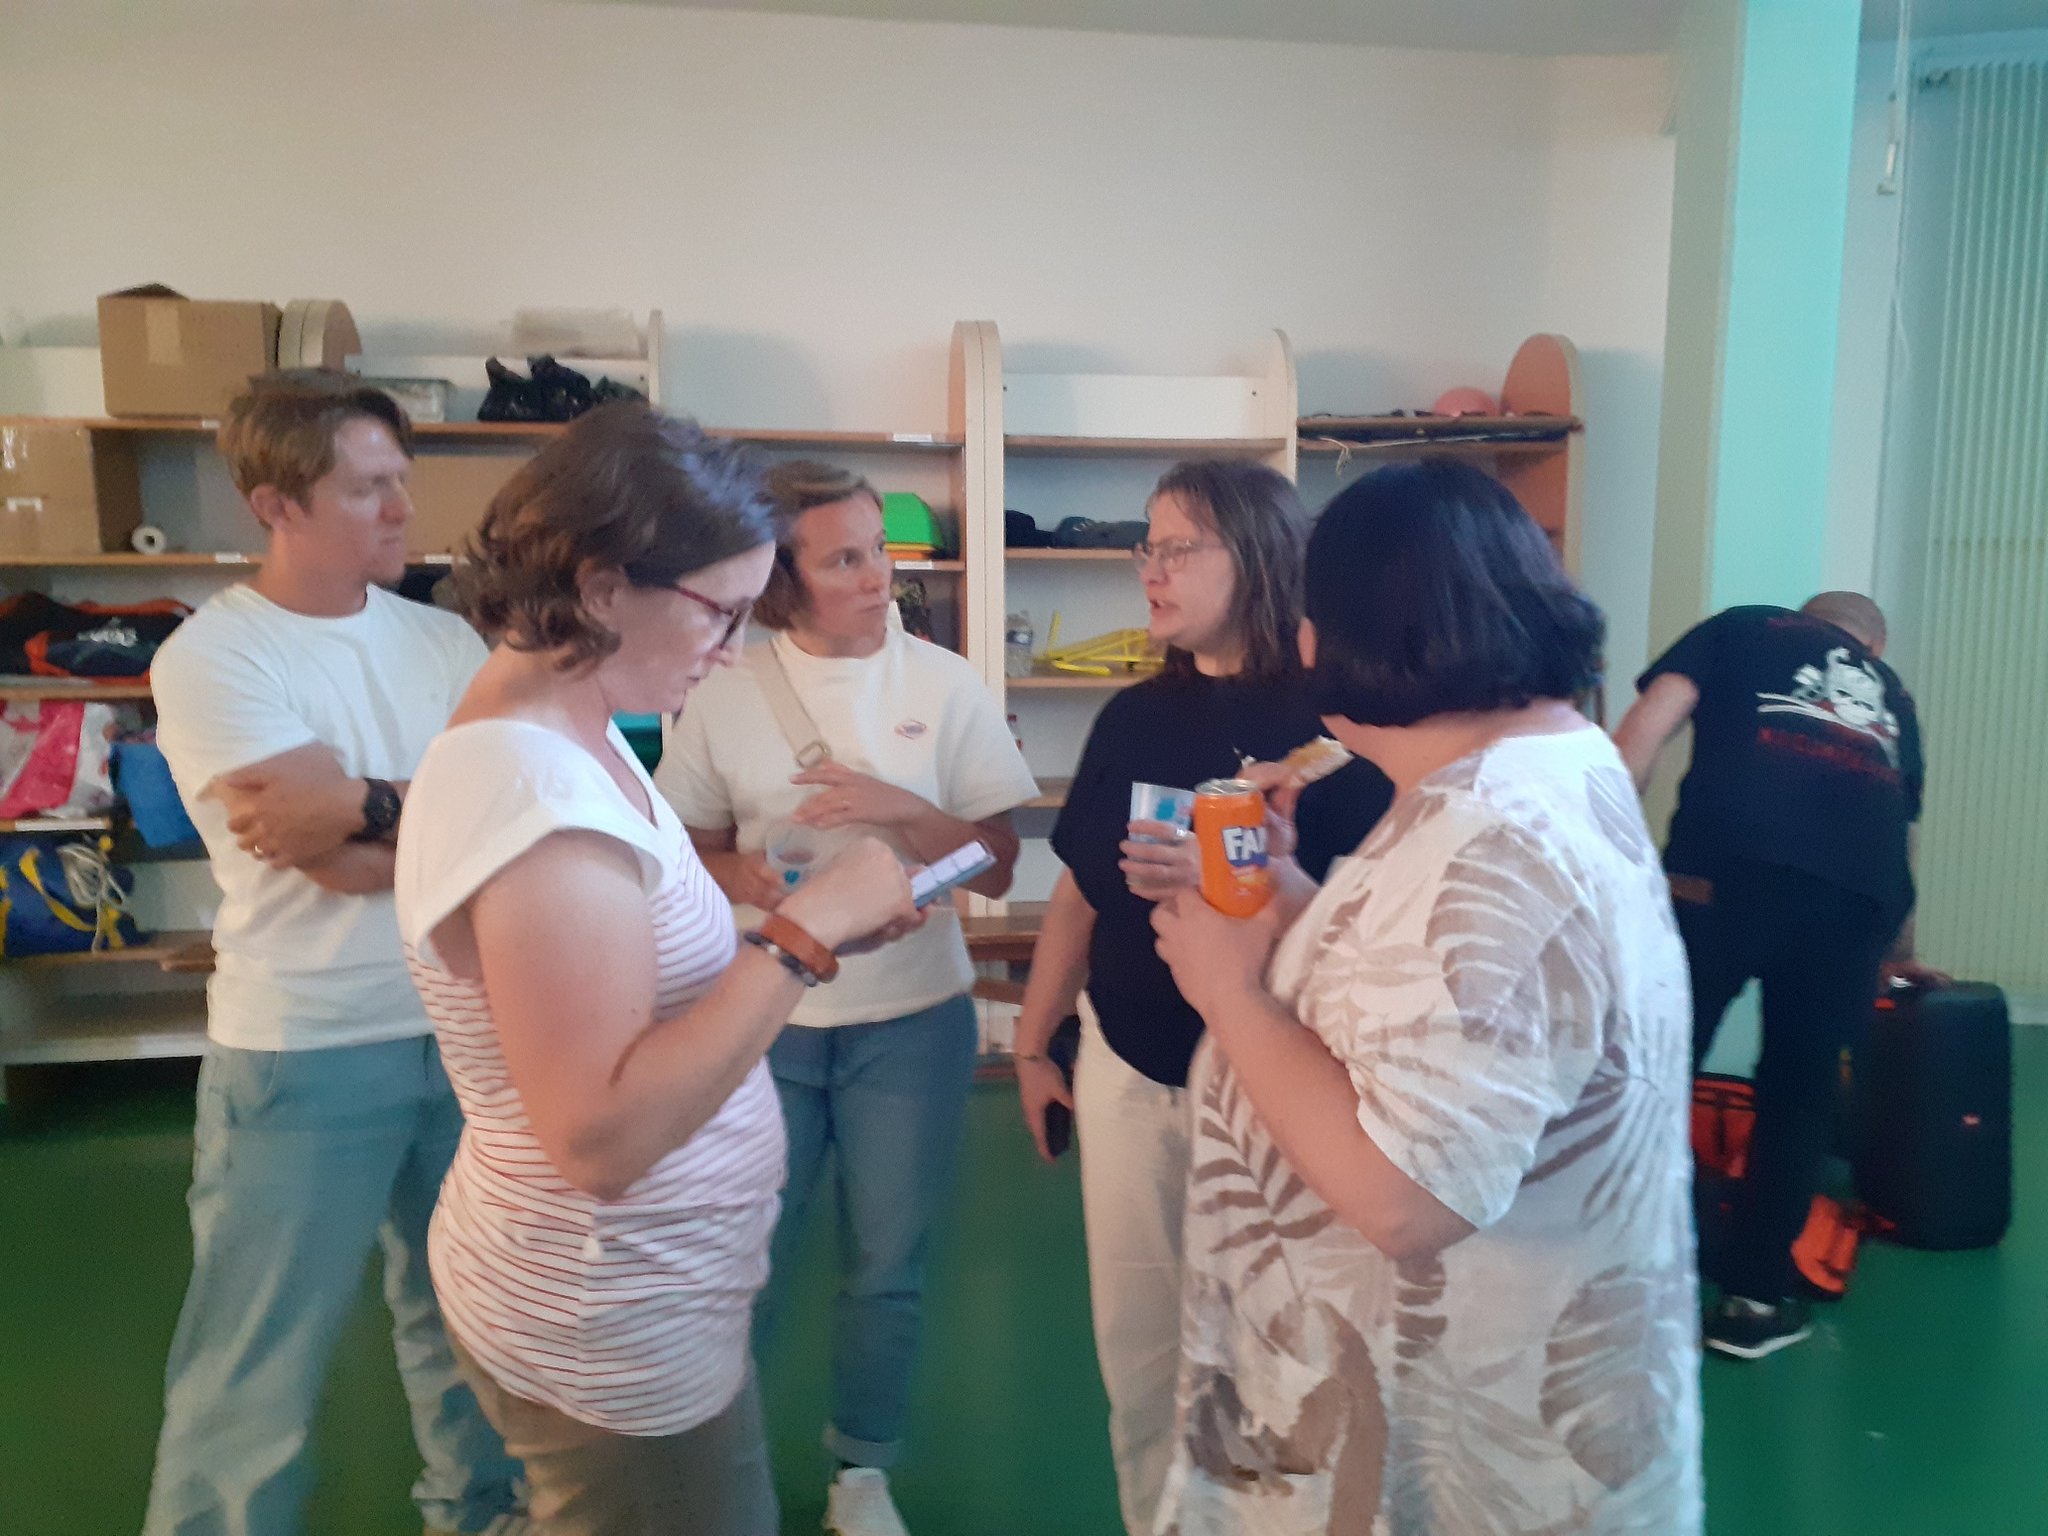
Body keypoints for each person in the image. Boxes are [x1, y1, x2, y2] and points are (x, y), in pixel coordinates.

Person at [392, 408, 925, 1536]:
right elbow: (602, 1137)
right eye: (720, 611)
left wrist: (789, 937)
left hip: (639, 1300)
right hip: (609, 1321)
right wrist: (802, 934)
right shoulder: (540, 802)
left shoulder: (572, 733)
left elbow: (622, 978)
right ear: (600, 589)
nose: (730, 648)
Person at [1149, 459, 1701, 1535]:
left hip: (1452, 1447)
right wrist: (1294, 903)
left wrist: (1230, 993)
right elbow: (1452, 1006)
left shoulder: (1497, 834)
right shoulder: (1529, 767)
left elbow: (1408, 1196)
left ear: (1333, 638)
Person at [143, 374, 524, 1536]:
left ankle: (483, 1516)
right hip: (304, 1047)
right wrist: (434, 816)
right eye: (366, 488)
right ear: (276, 504)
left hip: (461, 1030)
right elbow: (341, 866)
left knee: (469, 1326)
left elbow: (507, 818)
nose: (401, 509)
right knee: (255, 1358)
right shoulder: (215, 657)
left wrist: (364, 805)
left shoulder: (444, 639)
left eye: (400, 480)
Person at [1009, 460, 1391, 1536]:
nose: (1151, 568)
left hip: (1280, 1088)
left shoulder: (1340, 726)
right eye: (1147, 546)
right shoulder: (1133, 714)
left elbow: (1370, 933)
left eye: (1178, 547)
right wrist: (1035, 1042)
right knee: (1138, 1353)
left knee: (1283, 1361)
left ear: (1260, 556)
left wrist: (1245, 884)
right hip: (1128, 1069)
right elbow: (1080, 891)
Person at [654, 459, 1036, 1536]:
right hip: (760, 1019)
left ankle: (860, 1474)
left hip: (911, 1024)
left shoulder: (945, 684)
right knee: (742, 1258)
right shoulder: (724, 689)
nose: (880, 578)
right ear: (782, 581)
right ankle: (713, 1464)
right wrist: (747, 878)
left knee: (885, 1266)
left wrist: (900, 811)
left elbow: (998, 863)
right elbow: (685, 850)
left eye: (880, 551)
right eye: (845, 561)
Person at [1612, 592, 1937, 1358]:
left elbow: (1643, 732)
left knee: (1652, 1074)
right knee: (1801, 1095)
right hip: (1856, 905)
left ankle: (1627, 1278)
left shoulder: (1743, 626)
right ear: (1874, 644)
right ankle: (1754, 1302)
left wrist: (1593, 853)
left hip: (1720, 879)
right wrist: (1895, 953)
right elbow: (1902, 834)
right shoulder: (1892, 694)